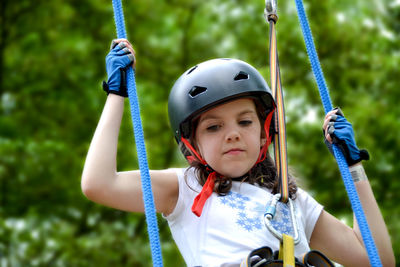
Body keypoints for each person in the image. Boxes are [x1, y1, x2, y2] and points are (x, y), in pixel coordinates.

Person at [81, 39, 394, 267]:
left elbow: (375, 258)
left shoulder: (290, 199)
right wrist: (116, 94)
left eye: (244, 121)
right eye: (213, 127)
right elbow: (98, 184)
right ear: (193, 146)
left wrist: (353, 167)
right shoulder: (184, 189)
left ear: (262, 132)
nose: (232, 133)